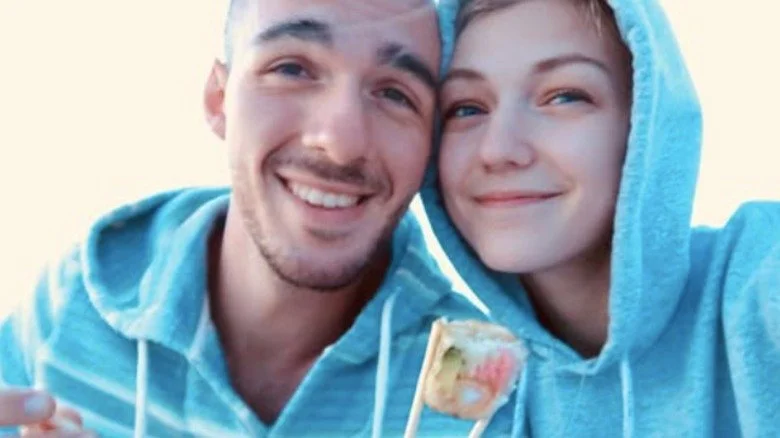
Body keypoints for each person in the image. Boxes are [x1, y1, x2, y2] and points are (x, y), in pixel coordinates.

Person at [0, 0, 494, 436]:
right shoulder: (75, 305)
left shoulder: (485, 396)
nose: (340, 143)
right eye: (292, 69)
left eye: (395, 94)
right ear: (219, 100)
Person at [420, 0, 780, 435]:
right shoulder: (484, 404)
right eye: (466, 108)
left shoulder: (759, 279)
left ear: (645, 125)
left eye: (564, 96)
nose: (498, 150)